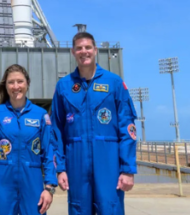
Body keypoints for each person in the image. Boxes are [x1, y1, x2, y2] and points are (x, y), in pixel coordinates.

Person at [51, 31, 137, 215]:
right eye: (79, 48)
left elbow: (127, 127)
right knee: (78, 210)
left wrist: (128, 170)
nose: (84, 51)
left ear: (95, 50)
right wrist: (60, 169)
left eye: (88, 47)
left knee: (110, 208)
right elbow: (56, 131)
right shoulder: (64, 86)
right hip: (76, 163)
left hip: (109, 162)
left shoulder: (114, 83)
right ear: (73, 52)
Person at [0, 64, 58, 215]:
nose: (16, 86)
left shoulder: (40, 115)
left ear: (27, 83)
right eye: (11, 82)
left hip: (33, 181)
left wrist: (49, 188)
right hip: (3, 181)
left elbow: (49, 152)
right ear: (6, 85)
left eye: (20, 81)